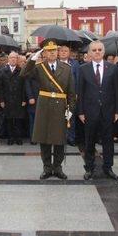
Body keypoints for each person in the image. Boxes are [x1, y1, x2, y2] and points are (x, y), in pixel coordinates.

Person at [20, 41, 75, 180]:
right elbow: (23, 74)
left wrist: (71, 109)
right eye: (48, 50)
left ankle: (57, 167)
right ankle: (46, 168)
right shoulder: (39, 67)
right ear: (44, 53)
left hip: (60, 106)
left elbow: (71, 92)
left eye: (54, 50)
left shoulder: (66, 68)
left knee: (59, 139)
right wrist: (33, 58)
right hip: (44, 106)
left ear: (57, 52)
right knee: (44, 139)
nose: (51, 53)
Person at [77, 41, 118, 180]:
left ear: (103, 52)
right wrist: (80, 112)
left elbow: (117, 91)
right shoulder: (83, 69)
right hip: (90, 112)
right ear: (89, 53)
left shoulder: (113, 68)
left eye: (99, 49)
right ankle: (89, 168)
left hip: (108, 112)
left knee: (108, 142)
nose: (97, 52)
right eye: (94, 50)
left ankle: (108, 168)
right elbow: (80, 92)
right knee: (89, 142)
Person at [0, 51, 26, 145]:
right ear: (8, 59)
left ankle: (18, 138)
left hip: (18, 99)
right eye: (11, 58)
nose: (13, 59)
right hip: (7, 99)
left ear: (17, 59)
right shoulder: (3, 70)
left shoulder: (21, 70)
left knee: (18, 120)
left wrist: (24, 99)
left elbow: (24, 86)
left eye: (15, 58)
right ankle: (10, 138)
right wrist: (2, 100)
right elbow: (0, 87)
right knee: (9, 119)